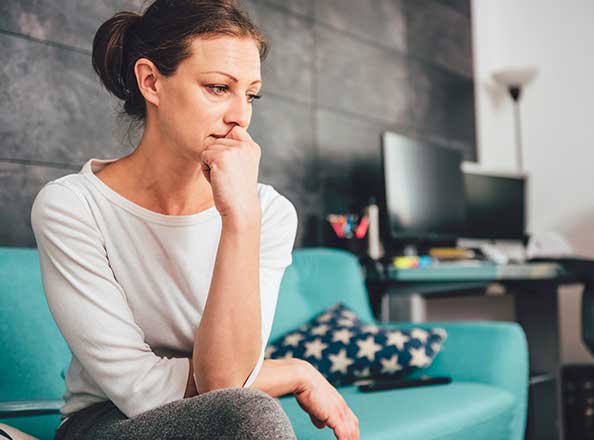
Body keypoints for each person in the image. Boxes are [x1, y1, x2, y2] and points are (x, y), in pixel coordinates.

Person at [30, 1, 360, 439]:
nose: (240, 116)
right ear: (151, 82)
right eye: (219, 88)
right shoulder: (72, 206)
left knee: (244, 410)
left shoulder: (270, 212)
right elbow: (141, 389)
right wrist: (294, 372)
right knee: (249, 414)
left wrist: (240, 217)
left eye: (251, 94)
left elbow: (226, 383)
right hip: (105, 422)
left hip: (223, 410)